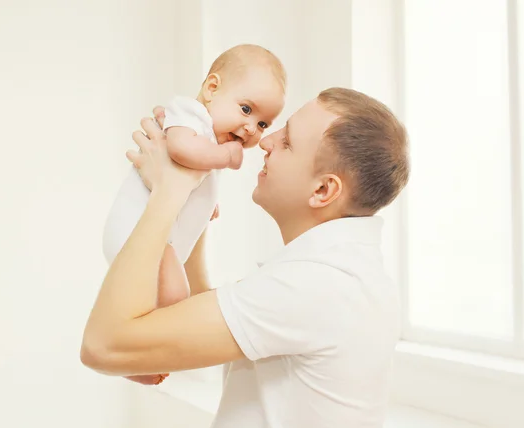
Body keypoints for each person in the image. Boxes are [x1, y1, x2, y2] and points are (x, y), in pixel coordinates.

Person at [81, 87, 410, 428]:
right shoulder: (339, 274)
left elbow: (103, 346)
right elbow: (199, 313)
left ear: (323, 190)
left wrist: (169, 192)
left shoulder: (316, 285)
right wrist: (194, 201)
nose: (267, 141)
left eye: (287, 142)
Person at [101, 44, 285, 385]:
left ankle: (138, 358)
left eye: (262, 123)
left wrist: (204, 204)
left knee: (167, 299)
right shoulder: (189, 114)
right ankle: (132, 360)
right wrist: (226, 156)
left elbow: (188, 178)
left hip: (159, 235)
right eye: (245, 109)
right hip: (135, 229)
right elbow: (181, 150)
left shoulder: (207, 137)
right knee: (174, 296)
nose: (251, 129)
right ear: (212, 88)